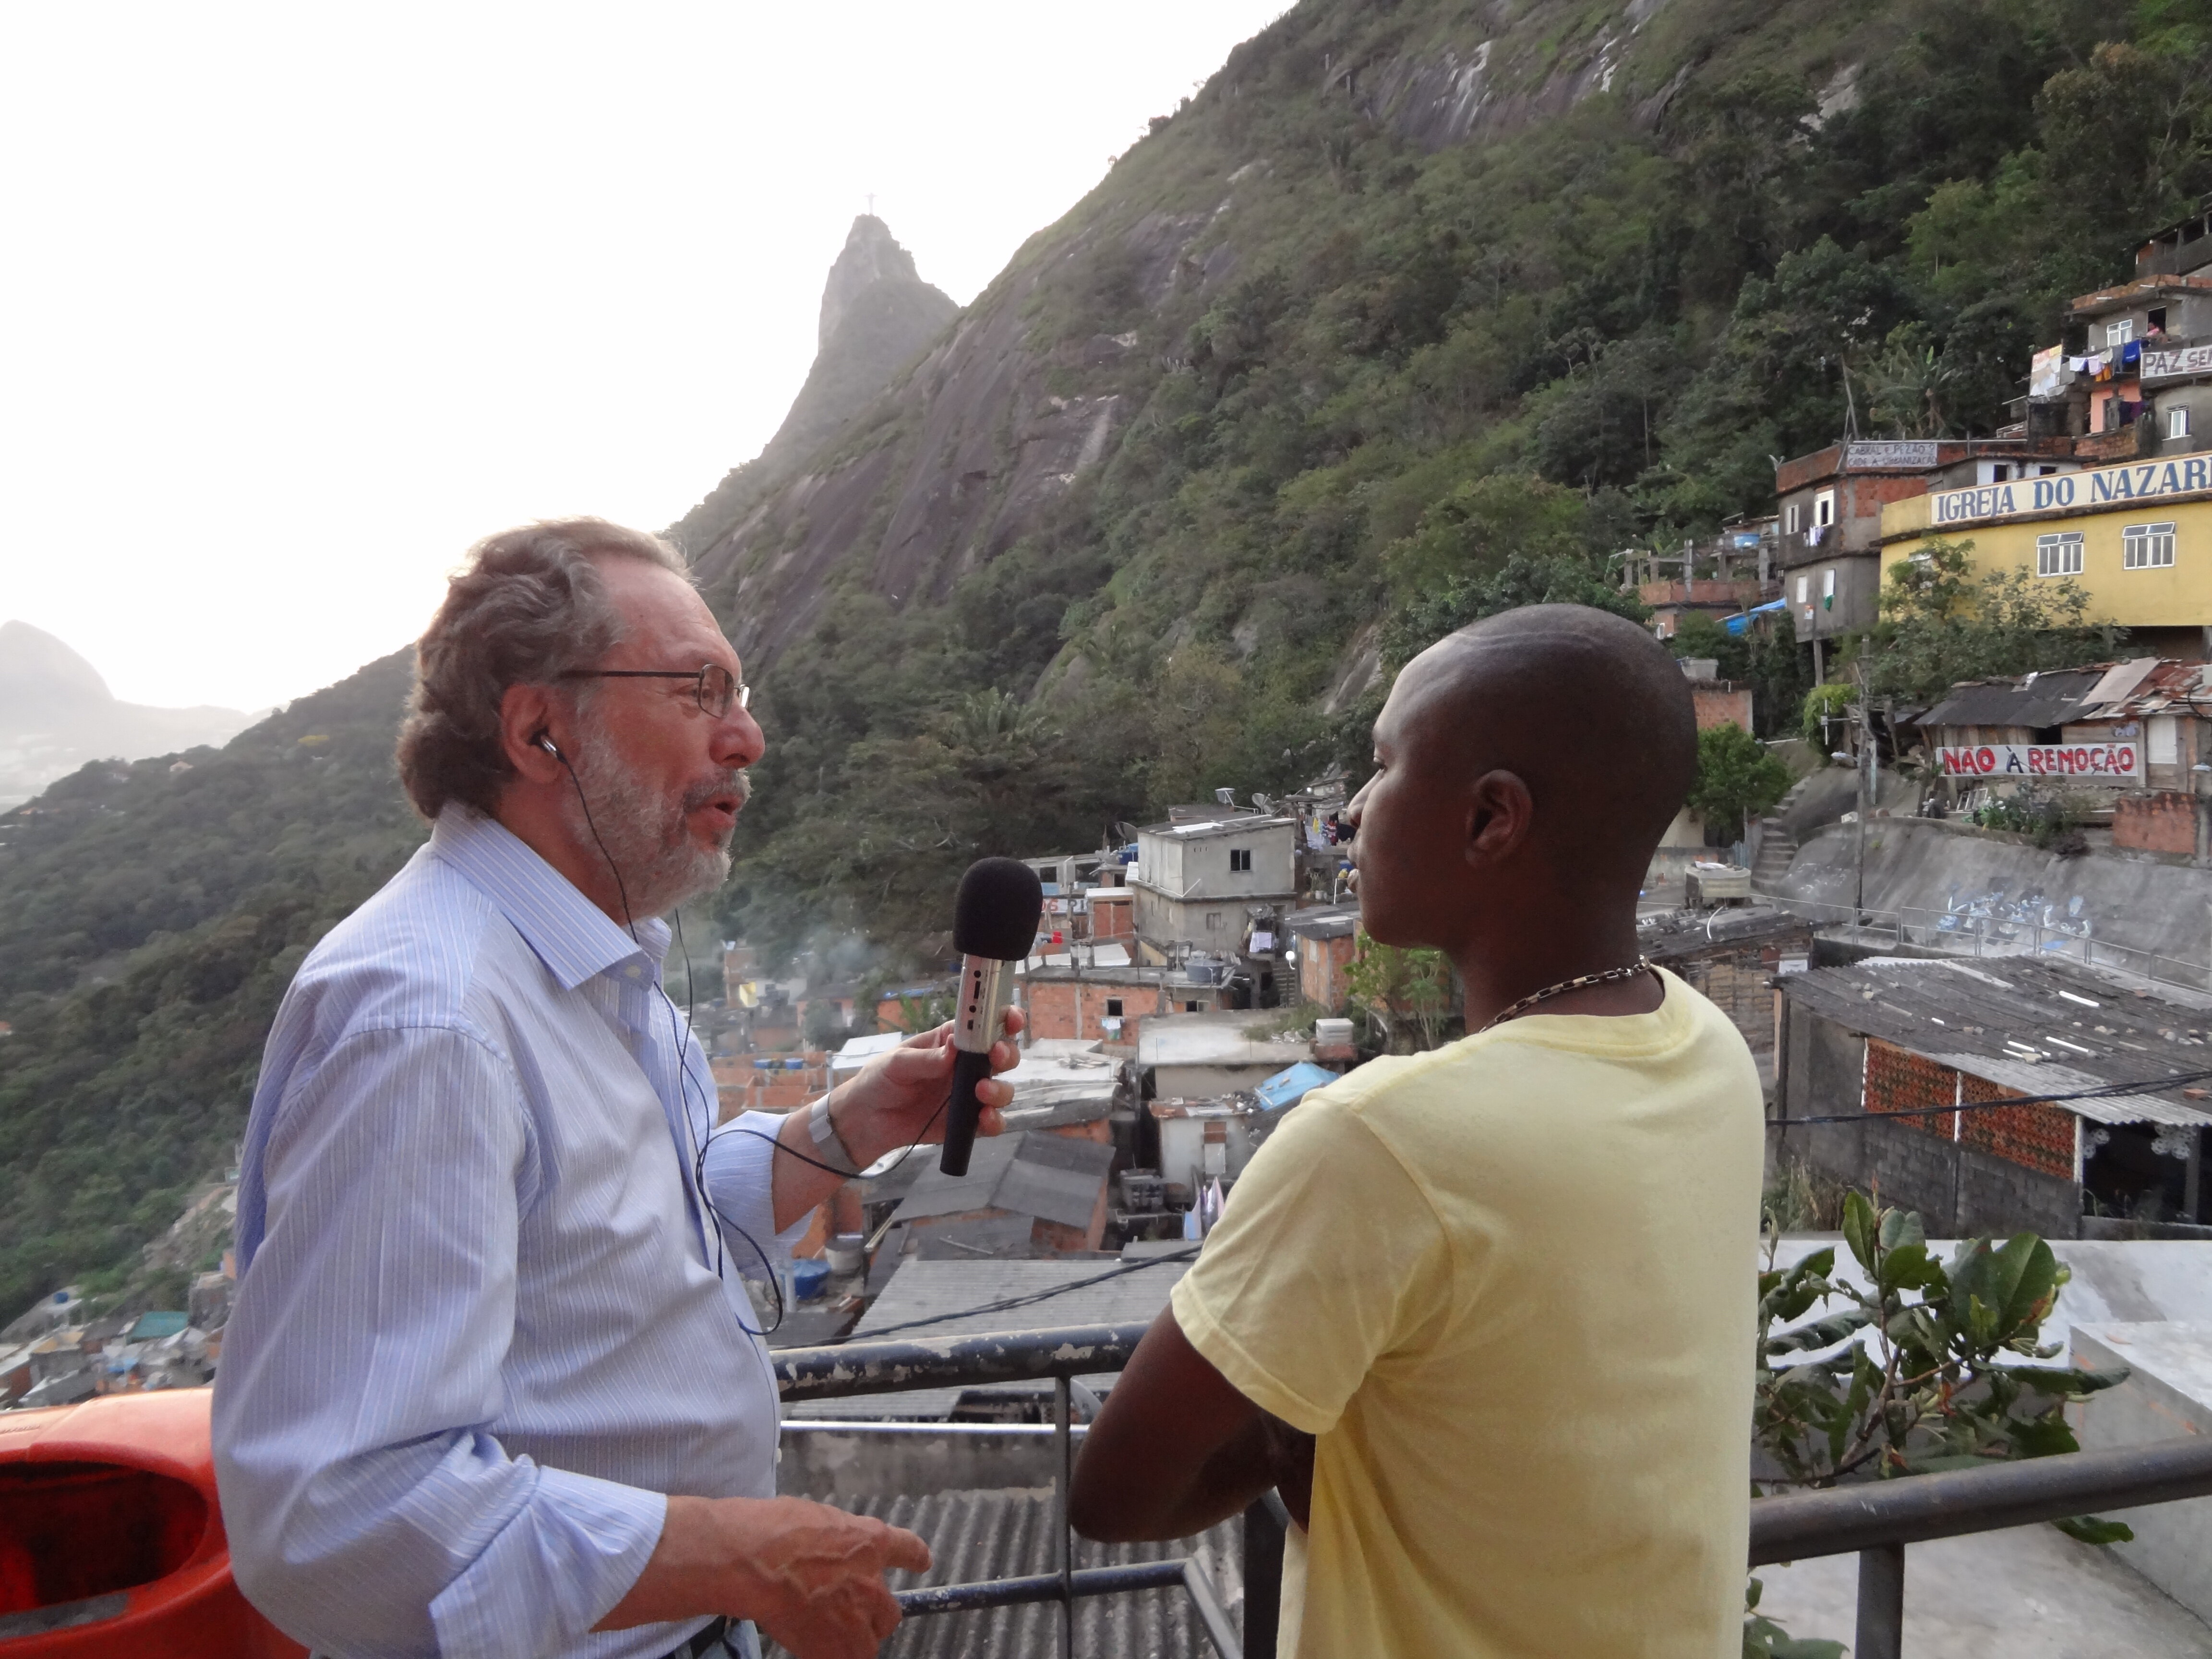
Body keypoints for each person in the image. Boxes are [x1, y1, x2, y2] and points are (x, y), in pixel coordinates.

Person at [213, 519, 1022, 1659]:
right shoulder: (426, 1021)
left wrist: (850, 1126)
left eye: (741, 692)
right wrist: (744, 1556)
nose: (747, 737)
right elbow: (335, 1515)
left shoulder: (601, 960)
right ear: (541, 731)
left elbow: (642, 1228)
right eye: (702, 690)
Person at [1070, 604, 1765, 1657]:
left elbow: (1116, 1494)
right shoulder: (1708, 1047)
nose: (1351, 812)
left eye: (1384, 765)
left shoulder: (1380, 1142)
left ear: (1493, 819)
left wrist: (1302, 1429)